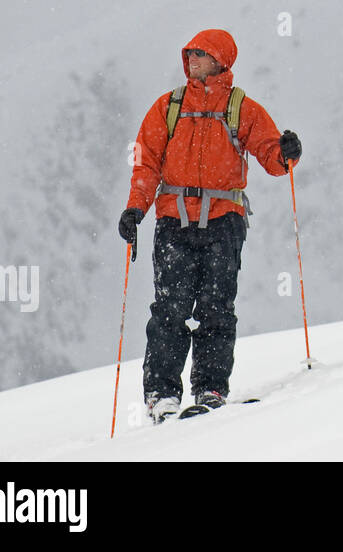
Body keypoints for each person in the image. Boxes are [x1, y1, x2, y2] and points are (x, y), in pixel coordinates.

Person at [117, 29, 302, 423]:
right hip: (174, 220)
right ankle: (162, 396)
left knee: (216, 309)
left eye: (201, 54)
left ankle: (210, 390)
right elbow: (146, 163)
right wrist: (135, 209)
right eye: (191, 53)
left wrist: (287, 153)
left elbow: (272, 159)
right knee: (170, 309)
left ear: (221, 60)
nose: (193, 59)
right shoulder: (168, 106)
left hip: (223, 222)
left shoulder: (242, 108)